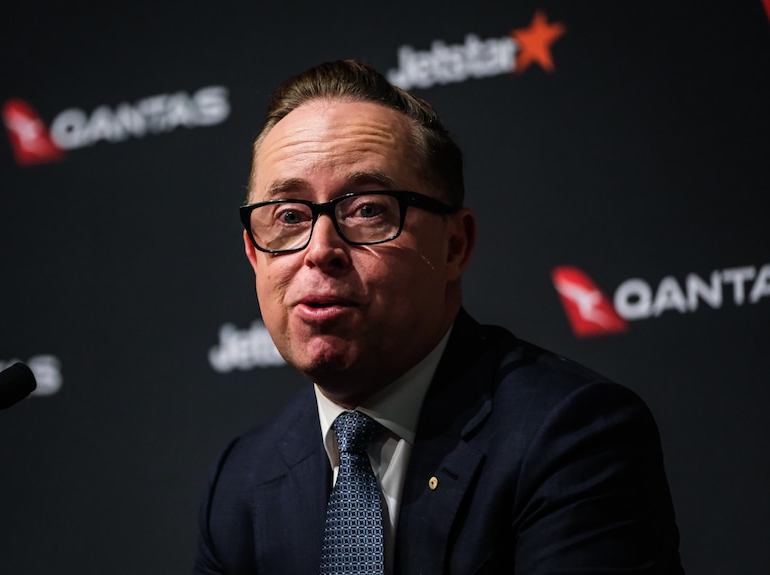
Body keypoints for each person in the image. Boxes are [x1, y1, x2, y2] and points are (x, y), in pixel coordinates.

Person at [194, 59, 683, 574]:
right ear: (254, 254)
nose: (320, 250)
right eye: (288, 217)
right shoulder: (240, 482)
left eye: (367, 210)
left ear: (455, 245)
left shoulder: (572, 435)